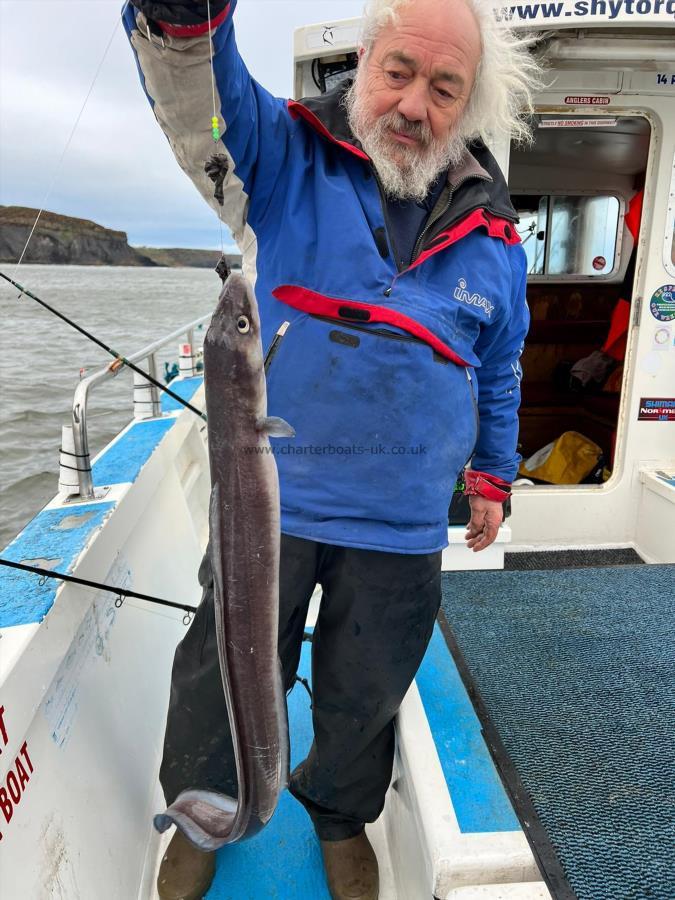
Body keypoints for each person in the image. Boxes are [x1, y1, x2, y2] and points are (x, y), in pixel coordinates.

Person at [123, 1, 540, 897]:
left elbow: (499, 370)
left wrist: (492, 477)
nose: (413, 105)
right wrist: (181, 19)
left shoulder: (497, 242)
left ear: (464, 107)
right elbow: (206, 96)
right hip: (271, 510)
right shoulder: (288, 159)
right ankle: (204, 807)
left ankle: (338, 814)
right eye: (398, 72)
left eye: (443, 88)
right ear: (364, 61)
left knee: (366, 693)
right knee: (218, 674)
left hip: (399, 525)